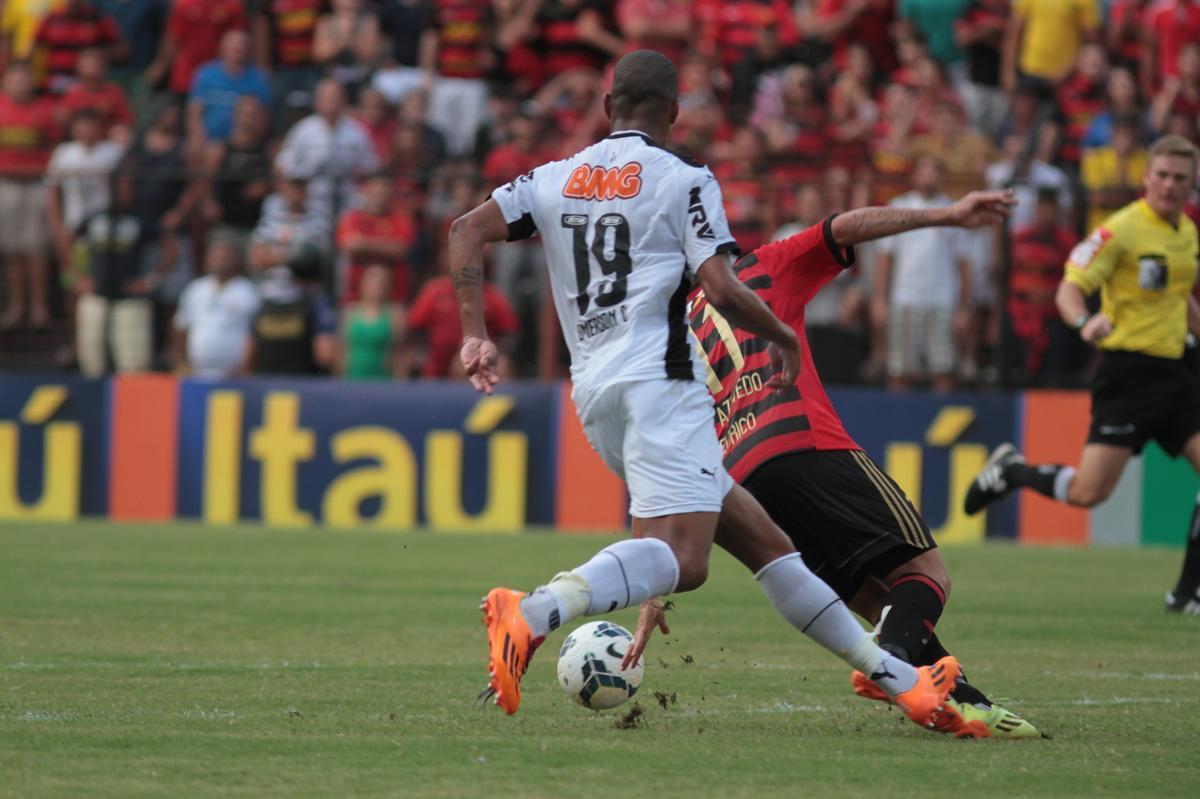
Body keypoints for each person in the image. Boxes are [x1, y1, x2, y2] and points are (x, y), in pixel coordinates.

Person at [450, 50, 959, 724]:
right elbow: (719, 286)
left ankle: (900, 679)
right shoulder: (684, 179)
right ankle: (535, 610)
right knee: (686, 560)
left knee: (766, 543)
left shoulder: (554, 177)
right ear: (673, 113)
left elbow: (465, 230)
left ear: (607, 109)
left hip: (595, 395)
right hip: (664, 379)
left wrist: (474, 334)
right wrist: (780, 334)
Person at [623, 188, 1038, 739]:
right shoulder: (760, 269)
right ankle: (886, 664)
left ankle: (969, 706)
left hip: (743, 484)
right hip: (804, 443)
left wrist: (652, 593)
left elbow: (659, 460)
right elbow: (844, 226)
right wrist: (945, 214)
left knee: (873, 596)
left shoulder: (669, 337)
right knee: (924, 574)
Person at [964, 136, 1200, 615]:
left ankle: (1186, 592)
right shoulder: (1121, 231)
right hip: (1128, 374)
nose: (1170, 185)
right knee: (1090, 492)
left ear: (1191, 184)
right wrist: (1083, 321)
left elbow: (1180, 298)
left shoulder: (1187, 233)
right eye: (1163, 175)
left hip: (1176, 372)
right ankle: (1014, 471)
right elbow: (1070, 288)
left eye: (1180, 177)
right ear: (1146, 179)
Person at [873, 155, 972, 393]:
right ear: (914, 175)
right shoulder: (897, 207)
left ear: (942, 177)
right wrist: (879, 300)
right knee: (899, 370)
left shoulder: (955, 210)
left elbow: (964, 263)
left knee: (944, 368)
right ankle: (897, 422)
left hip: (943, 300)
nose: (929, 176)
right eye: (924, 170)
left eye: (934, 171)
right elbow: (884, 258)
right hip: (904, 298)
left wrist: (965, 307)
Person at [74, 172, 173, 376]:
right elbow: (70, 242)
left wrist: (151, 280)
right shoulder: (95, 217)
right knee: (91, 358)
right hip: (97, 294)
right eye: (117, 187)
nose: (121, 192)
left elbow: (170, 249)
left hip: (130, 297)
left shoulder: (142, 218)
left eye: (126, 187)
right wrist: (76, 276)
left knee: (133, 362)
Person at [0, 62, 58, 329]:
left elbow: (55, 146)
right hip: (6, 184)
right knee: (12, 251)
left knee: (37, 249)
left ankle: (39, 308)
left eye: (25, 78)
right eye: (15, 78)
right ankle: (16, 306)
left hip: (37, 184)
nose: (20, 84)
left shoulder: (43, 110)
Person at [173, 233, 260, 378]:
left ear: (235, 261)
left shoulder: (248, 291)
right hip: (198, 372)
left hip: (234, 374)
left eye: (226, 259)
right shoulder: (196, 289)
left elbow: (255, 333)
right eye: (217, 258)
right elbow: (181, 326)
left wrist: (247, 366)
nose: (221, 263)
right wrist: (182, 361)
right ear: (207, 260)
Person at [340, 264, 403, 380]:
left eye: (381, 285)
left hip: (383, 378)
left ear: (388, 287)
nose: (377, 289)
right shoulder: (350, 312)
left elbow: (399, 353)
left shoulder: (395, 314)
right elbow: (343, 350)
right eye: (373, 284)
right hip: (353, 377)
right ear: (363, 285)